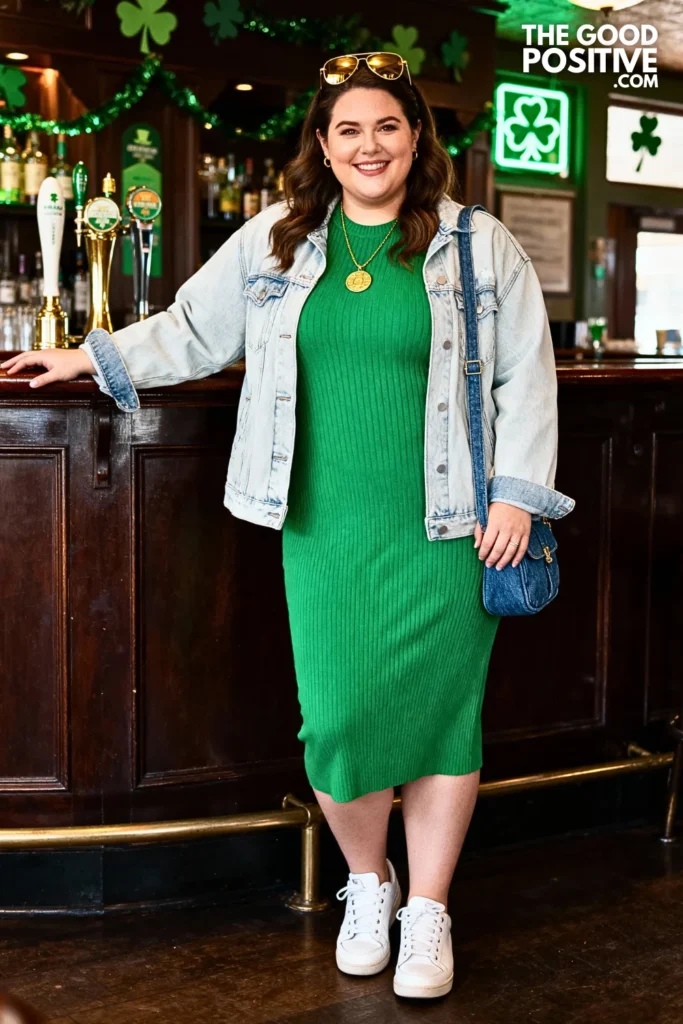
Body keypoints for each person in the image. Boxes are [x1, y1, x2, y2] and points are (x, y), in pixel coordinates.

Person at [1, 51, 574, 1002]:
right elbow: (191, 329)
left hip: (448, 522)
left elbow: (526, 372)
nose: (369, 145)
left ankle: (427, 908)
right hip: (323, 523)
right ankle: (367, 881)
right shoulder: (279, 238)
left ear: (416, 138)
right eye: (348, 129)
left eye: (387, 126)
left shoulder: (478, 245)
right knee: (337, 724)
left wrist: (516, 493)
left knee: (442, 721)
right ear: (322, 143)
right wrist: (89, 358)